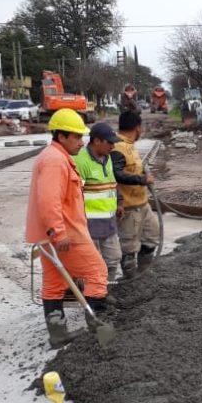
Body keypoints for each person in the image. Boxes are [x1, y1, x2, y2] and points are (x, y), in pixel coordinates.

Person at [25, 108, 109, 347]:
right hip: (65, 234)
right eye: (76, 137)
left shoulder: (55, 157)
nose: (81, 142)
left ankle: (58, 333)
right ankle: (98, 324)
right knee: (97, 272)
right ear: (61, 136)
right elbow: (48, 200)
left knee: (54, 282)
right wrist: (58, 232)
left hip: (47, 235)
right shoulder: (54, 161)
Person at [112, 109, 159, 279]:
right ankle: (131, 279)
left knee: (152, 237)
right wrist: (141, 179)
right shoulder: (118, 147)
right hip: (129, 207)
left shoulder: (129, 145)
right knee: (129, 247)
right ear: (137, 128)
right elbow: (116, 173)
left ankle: (144, 273)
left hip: (142, 204)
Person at [74, 121, 123, 284]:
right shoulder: (81, 161)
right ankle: (93, 296)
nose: (112, 146)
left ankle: (105, 290)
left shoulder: (107, 159)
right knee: (91, 265)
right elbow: (75, 195)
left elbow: (112, 182)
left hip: (109, 222)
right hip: (89, 226)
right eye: (109, 142)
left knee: (114, 258)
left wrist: (119, 203)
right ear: (96, 141)